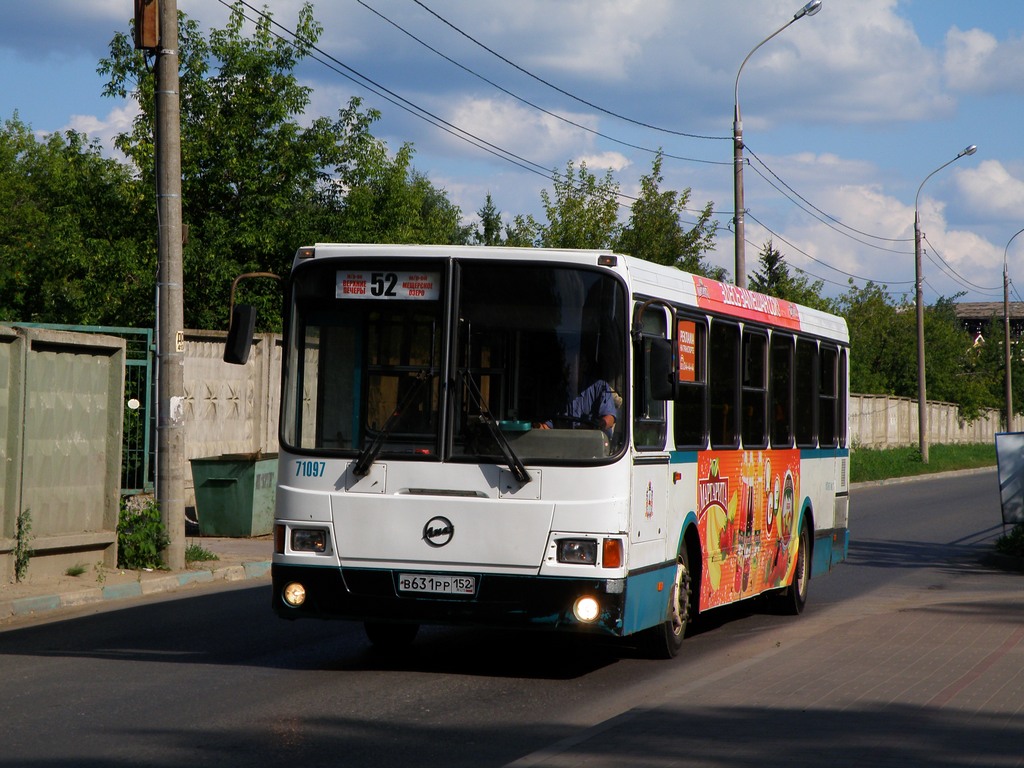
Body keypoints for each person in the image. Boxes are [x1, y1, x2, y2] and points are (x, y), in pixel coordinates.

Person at [538, 378, 620, 436]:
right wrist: (540, 427)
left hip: (594, 448)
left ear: (584, 364)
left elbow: (610, 419)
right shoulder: (560, 389)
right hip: (565, 446)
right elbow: (550, 424)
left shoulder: (600, 386)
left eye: (575, 362)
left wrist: (594, 427)